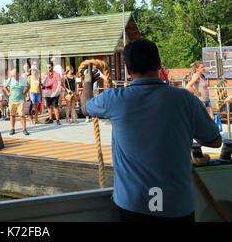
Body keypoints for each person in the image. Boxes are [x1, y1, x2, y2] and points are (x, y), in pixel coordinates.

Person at [81, 38, 222, 222]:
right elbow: (215, 141)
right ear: (158, 65)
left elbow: (85, 107)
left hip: (133, 206)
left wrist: (87, 82)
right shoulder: (186, 100)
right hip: (178, 207)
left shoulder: (115, 99)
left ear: (129, 70)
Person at [2, 68, 30, 136]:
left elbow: (28, 86)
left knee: (22, 115)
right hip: (12, 100)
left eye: (14, 75)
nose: (13, 76)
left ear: (18, 74)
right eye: (12, 75)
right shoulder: (10, 79)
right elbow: (4, 86)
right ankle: (12, 128)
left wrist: (25, 93)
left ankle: (24, 129)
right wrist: (8, 92)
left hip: (20, 100)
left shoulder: (22, 80)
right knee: (12, 115)